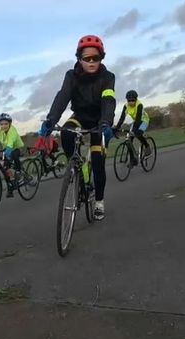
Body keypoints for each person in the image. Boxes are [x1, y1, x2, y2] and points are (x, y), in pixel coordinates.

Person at [38, 34, 116, 220]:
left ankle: (99, 202)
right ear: (79, 59)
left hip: (98, 121)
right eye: (86, 58)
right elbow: (63, 97)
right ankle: (77, 166)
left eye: (95, 58)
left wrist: (106, 122)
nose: (91, 62)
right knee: (65, 133)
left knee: (98, 163)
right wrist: (50, 120)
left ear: (101, 58)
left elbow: (108, 100)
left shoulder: (107, 77)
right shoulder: (71, 76)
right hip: (79, 117)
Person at [114, 89, 152, 164]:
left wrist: (134, 130)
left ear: (136, 99)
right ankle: (133, 159)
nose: (131, 102)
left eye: (133, 100)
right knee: (129, 140)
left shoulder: (139, 105)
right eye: (129, 101)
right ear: (127, 100)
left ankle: (147, 147)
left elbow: (138, 118)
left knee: (138, 134)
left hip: (143, 120)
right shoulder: (126, 106)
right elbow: (122, 118)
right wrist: (117, 128)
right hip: (135, 121)